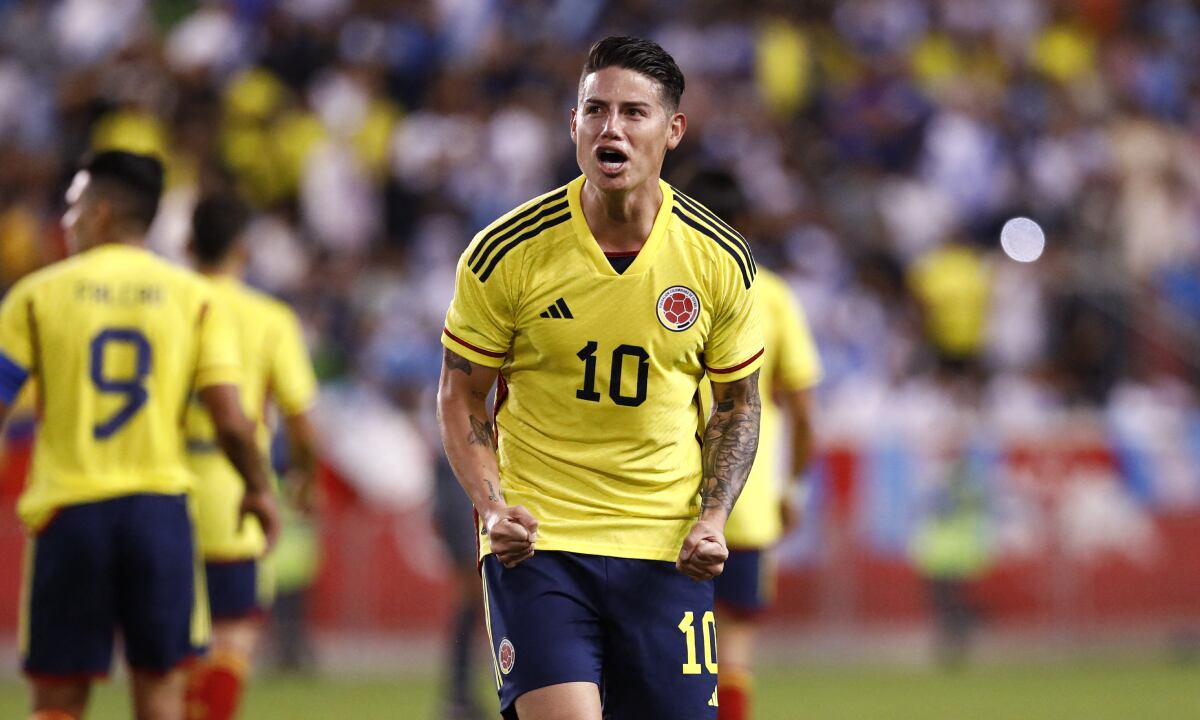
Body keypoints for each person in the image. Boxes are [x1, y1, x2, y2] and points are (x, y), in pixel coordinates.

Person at [437, 36, 764, 720]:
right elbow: (462, 394)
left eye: (633, 113)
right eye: (595, 109)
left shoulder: (716, 259)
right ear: (574, 124)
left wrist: (712, 516)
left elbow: (736, 404)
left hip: (664, 549)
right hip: (542, 544)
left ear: (673, 130)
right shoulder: (507, 252)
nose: (610, 127)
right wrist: (494, 507)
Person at [0, 150, 278, 720]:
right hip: (159, 515)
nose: (66, 220)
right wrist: (258, 488)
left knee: (57, 698)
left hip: (69, 511)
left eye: (74, 207)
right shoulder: (194, 297)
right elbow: (230, 416)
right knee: (160, 695)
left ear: (101, 214)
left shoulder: (37, 294)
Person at [684, 170, 822, 720]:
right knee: (733, 648)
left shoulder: (664, 286)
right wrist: (792, 490)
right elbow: (806, 412)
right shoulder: (773, 296)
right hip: (743, 499)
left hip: (661, 498)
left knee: (658, 650)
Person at [182, 192, 319, 719]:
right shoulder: (268, 318)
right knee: (232, 636)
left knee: (171, 647)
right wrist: (303, 478)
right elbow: (301, 418)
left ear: (189, 244)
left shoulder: (172, 302)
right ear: (243, 248)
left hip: (164, 482)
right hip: (236, 486)